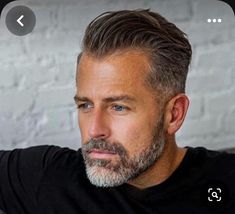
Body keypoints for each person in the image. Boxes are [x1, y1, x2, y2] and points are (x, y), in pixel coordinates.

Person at [0, 9, 235, 214]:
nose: (94, 130)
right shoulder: (47, 178)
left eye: (118, 107)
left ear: (174, 114)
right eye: (86, 105)